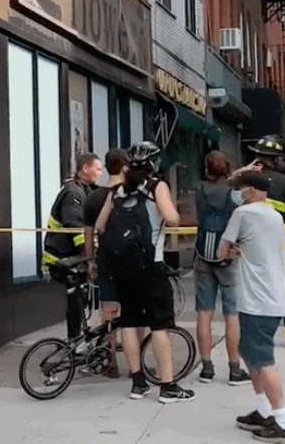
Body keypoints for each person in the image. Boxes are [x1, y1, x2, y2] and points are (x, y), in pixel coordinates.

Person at [93, 142, 195, 403]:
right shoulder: (156, 186)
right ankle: (167, 385)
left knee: (129, 323)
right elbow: (172, 219)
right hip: (151, 267)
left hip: (123, 269)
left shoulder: (116, 192)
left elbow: (100, 226)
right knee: (159, 326)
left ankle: (138, 383)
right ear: (154, 163)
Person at [218, 172, 285, 443]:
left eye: (240, 188)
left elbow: (221, 251)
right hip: (271, 296)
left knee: (263, 360)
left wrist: (235, 250)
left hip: (257, 300)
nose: (238, 193)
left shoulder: (242, 214)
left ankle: (283, 421)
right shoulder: (275, 216)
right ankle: (263, 410)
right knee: (250, 353)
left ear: (251, 190)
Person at [231, 135, 285, 348]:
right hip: (282, 250)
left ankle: (253, 334)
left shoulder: (242, 183)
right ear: (278, 159)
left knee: (251, 294)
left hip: (247, 250)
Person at [193, 150, 252, 385]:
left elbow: (215, 185)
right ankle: (234, 369)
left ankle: (206, 368)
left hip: (202, 255)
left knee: (204, 313)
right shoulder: (235, 195)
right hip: (227, 257)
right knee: (232, 315)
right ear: (227, 170)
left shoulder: (198, 189)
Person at [83, 148, 129, 378]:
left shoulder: (93, 197)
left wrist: (90, 260)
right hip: (130, 258)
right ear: (124, 167)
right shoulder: (129, 194)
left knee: (108, 310)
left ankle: (110, 361)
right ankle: (136, 364)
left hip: (105, 257)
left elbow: (88, 234)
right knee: (132, 310)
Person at [47, 153, 103, 340]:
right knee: (76, 300)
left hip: (70, 257)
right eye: (97, 169)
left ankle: (78, 338)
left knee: (79, 299)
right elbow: (77, 229)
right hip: (64, 259)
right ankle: (75, 341)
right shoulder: (73, 193)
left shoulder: (82, 190)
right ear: (85, 169)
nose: (100, 173)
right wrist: (89, 260)